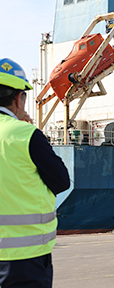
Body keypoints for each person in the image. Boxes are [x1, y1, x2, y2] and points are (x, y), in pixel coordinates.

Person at [0, 58, 70, 288]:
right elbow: (61, 181)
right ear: (19, 99)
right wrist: (30, 130)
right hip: (23, 259)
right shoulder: (24, 134)